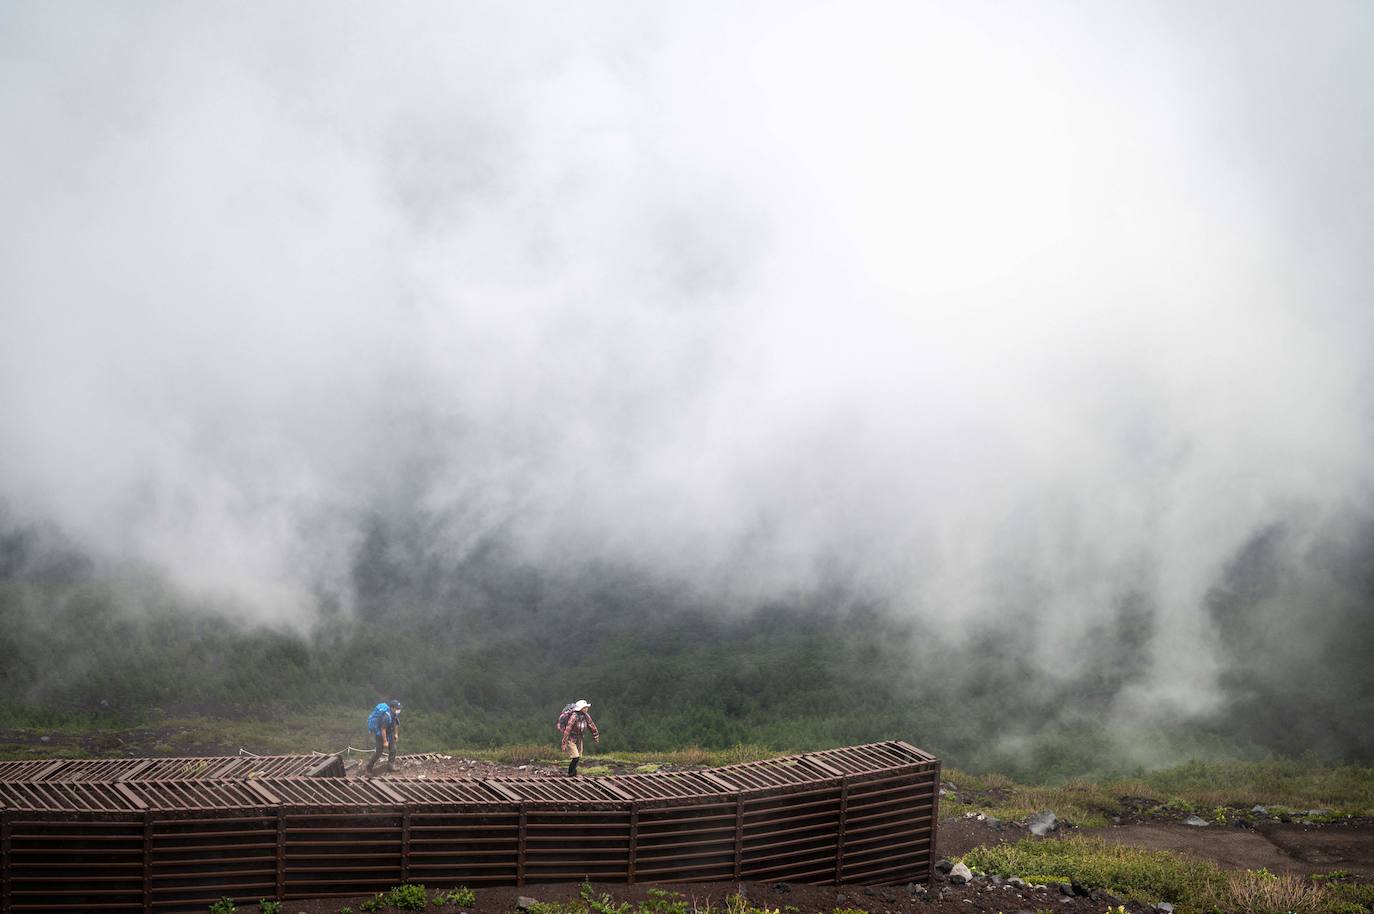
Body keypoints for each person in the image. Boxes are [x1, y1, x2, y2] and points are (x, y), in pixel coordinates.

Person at [559, 699, 599, 776]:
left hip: (579, 738)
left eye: (586, 707)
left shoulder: (586, 716)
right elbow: (568, 729)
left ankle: (574, 772)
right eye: (584, 707)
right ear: (580, 708)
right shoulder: (574, 716)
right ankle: (571, 773)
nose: (586, 709)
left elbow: (591, 725)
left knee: (578, 756)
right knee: (575, 757)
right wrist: (564, 742)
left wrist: (595, 735)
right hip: (571, 738)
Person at [366, 699, 402, 775]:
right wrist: (385, 741)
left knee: (393, 750)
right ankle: (368, 768)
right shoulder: (386, 716)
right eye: (397, 708)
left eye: (399, 708)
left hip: (390, 734)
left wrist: (396, 734)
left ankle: (390, 766)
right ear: (392, 708)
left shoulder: (394, 715)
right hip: (380, 736)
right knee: (378, 753)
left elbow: (396, 724)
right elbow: (383, 729)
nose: (399, 710)